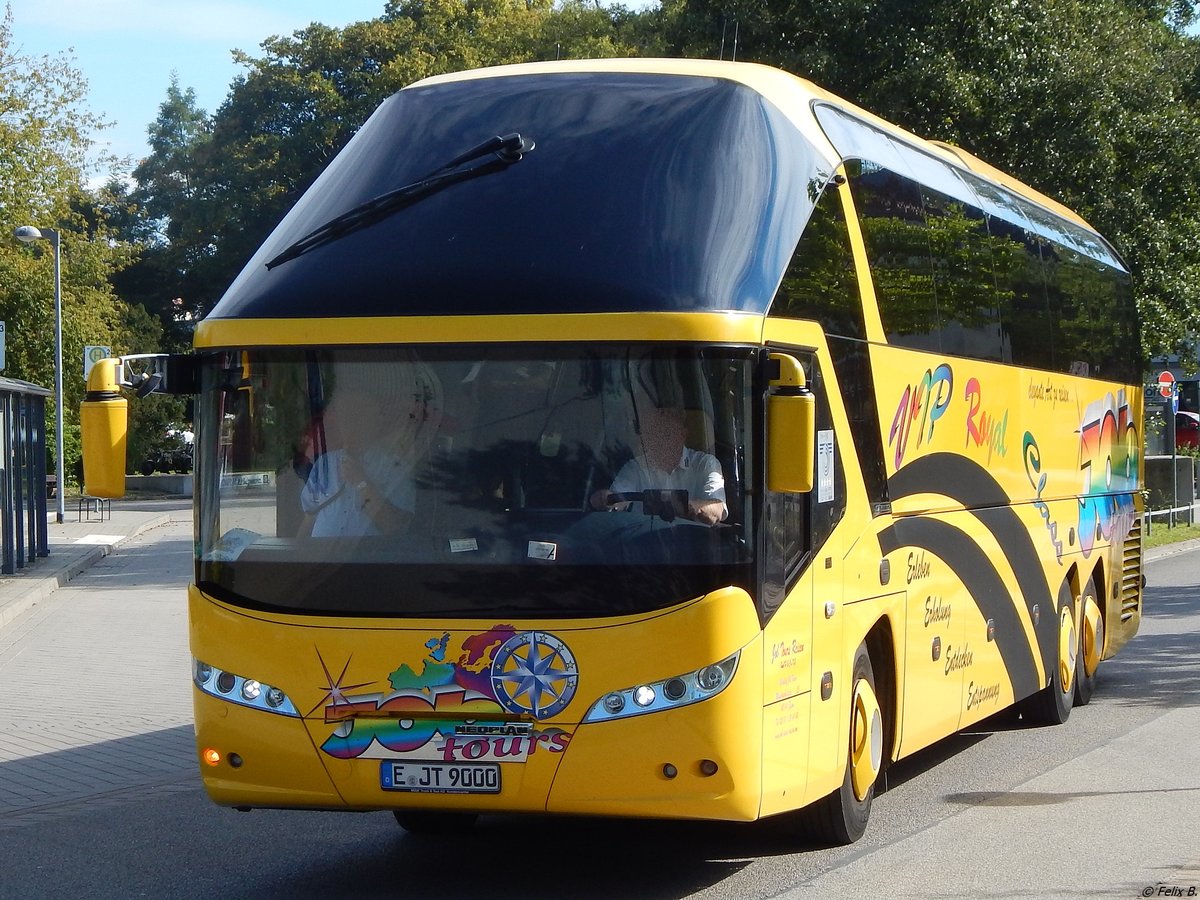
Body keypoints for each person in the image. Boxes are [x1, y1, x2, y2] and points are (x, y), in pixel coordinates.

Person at [300, 361, 439, 537]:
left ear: (375, 420)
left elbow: (394, 526)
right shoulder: (324, 465)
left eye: (356, 416)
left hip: (366, 561)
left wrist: (361, 482)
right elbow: (308, 518)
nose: (349, 424)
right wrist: (298, 556)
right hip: (321, 560)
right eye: (344, 416)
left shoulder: (395, 467)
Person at [590, 405, 727, 526]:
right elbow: (618, 499)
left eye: (667, 433)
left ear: (683, 435)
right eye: (655, 434)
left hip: (694, 545)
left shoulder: (705, 464)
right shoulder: (636, 467)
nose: (660, 441)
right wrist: (605, 499)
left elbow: (717, 511)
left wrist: (690, 506)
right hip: (643, 544)